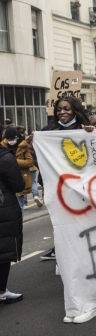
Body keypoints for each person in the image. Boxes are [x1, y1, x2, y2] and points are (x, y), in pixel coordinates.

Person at [35, 97, 96, 323]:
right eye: (59, 109)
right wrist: (34, 144)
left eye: (67, 109)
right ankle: (78, 301)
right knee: (67, 247)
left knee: (85, 245)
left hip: (83, 199)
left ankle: (89, 299)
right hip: (61, 199)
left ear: (75, 111)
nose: (62, 112)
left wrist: (92, 134)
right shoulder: (47, 132)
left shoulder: (85, 130)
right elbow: (40, 164)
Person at [0, 143, 25, 306]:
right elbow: (18, 185)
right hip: (4, 208)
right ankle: (1, 292)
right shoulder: (5, 158)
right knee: (4, 251)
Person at [1, 128, 33, 217]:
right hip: (6, 181)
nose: (10, 141)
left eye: (12, 139)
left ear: (16, 137)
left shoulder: (24, 145)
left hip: (20, 178)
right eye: (8, 139)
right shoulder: (2, 145)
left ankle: (20, 225)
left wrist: (14, 161)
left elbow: (30, 162)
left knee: (20, 205)